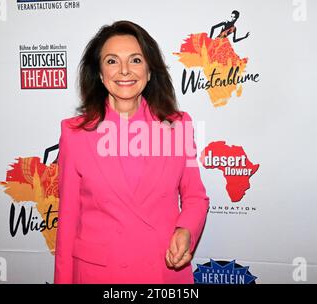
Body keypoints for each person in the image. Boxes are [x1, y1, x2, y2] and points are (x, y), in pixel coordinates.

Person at [54, 20, 210, 284]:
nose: (124, 70)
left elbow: (195, 197)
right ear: (100, 74)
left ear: (150, 71)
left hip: (162, 271)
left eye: (136, 60)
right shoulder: (74, 134)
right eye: (112, 61)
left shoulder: (178, 125)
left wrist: (186, 231)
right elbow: (68, 223)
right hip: (99, 274)